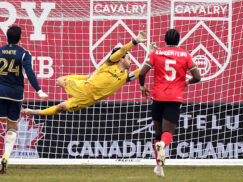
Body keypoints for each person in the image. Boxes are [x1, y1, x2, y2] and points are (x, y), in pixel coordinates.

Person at [22, 31, 147, 116]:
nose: (131, 61)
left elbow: (141, 71)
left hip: (88, 100)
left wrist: (152, 57)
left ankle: (32, 112)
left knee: (61, 107)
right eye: (128, 58)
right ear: (121, 59)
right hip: (82, 87)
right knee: (59, 80)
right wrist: (134, 41)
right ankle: (86, 78)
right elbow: (122, 51)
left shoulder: (125, 77)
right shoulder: (109, 63)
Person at [139, 29, 201, 177]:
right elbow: (197, 76)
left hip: (157, 97)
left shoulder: (156, 53)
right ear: (178, 40)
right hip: (174, 98)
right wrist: (187, 82)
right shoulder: (185, 55)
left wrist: (142, 87)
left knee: (158, 133)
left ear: (165, 39)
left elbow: (142, 73)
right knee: (168, 133)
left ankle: (159, 168)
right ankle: (163, 147)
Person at [0, 26, 48, 174]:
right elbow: (30, 73)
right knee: (12, 126)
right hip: (15, 94)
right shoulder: (24, 53)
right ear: (20, 38)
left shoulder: (0, 51)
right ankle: (5, 156)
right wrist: (39, 91)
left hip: (0, 91)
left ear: (7, 37)